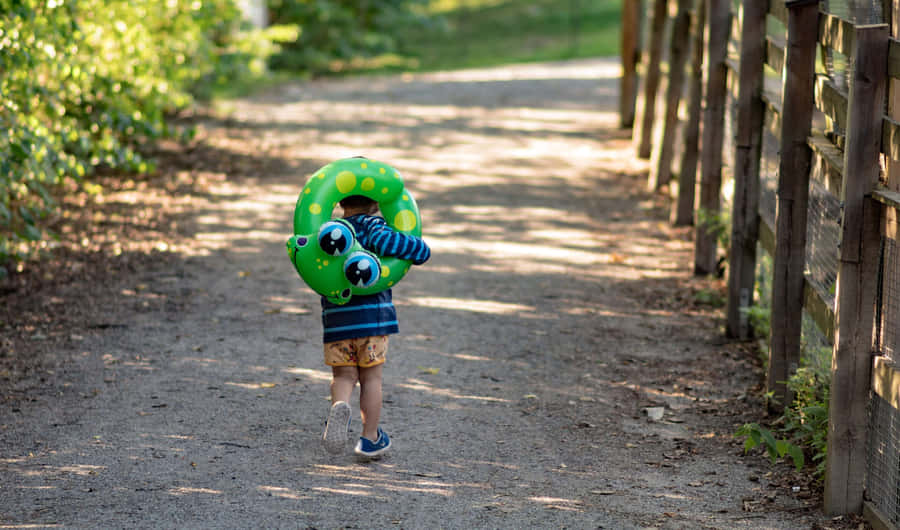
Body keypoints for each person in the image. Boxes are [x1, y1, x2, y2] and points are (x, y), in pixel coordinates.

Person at [320, 194, 430, 457]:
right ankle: (369, 438)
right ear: (377, 202)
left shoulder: (330, 232)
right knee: (371, 379)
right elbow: (417, 252)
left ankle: (340, 406)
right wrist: (421, 246)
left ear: (340, 202)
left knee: (344, 376)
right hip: (372, 320)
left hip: (337, 320)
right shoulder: (375, 226)